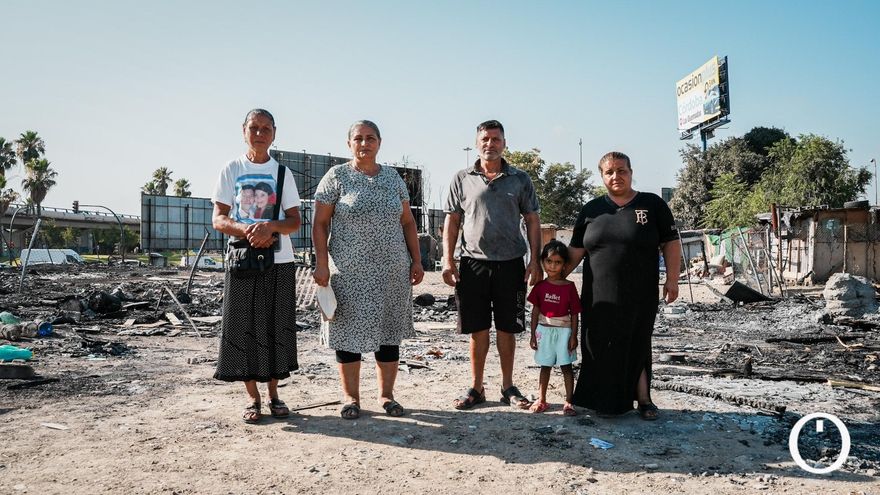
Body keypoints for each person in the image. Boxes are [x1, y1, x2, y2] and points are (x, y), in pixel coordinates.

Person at [312, 120, 424, 420]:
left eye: (370, 138)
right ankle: (351, 398)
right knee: (348, 333)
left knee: (389, 334)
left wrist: (416, 259)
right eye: (358, 138)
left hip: (392, 271)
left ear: (380, 142)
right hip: (349, 273)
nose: (365, 143)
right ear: (349, 143)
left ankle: (387, 396)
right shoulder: (336, 177)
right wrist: (321, 263)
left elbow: (408, 222)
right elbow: (320, 224)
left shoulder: (393, 179)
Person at [567, 151, 680, 420]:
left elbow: (671, 244)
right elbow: (574, 252)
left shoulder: (652, 205)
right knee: (598, 344)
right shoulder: (591, 210)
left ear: (631, 172)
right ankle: (602, 402)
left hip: (640, 293)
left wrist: (672, 279)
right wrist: (548, 277)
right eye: (609, 172)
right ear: (602, 176)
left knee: (636, 342)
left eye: (622, 170)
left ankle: (643, 399)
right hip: (597, 296)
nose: (616, 176)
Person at [442, 119, 542, 411]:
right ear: (477, 143)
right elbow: (452, 220)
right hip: (473, 264)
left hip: (511, 264)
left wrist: (534, 261)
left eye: (496, 139)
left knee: (508, 329)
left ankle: (508, 386)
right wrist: (448, 259)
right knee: (478, 329)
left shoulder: (520, 179)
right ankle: (476, 387)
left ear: (504, 143)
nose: (490, 144)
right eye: (485, 139)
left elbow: (533, 220)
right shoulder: (462, 178)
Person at [211, 108, 302, 424]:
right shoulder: (232, 169)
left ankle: (275, 394)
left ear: (274, 133)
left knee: (276, 328)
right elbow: (219, 218)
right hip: (242, 260)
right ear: (244, 130)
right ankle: (253, 398)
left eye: (266, 128)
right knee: (244, 327)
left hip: (279, 261)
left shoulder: (282, 174)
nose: (260, 133)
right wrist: (248, 230)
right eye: (254, 127)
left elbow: (294, 222)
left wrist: (270, 227)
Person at [527, 240, 581, 415]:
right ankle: (542, 399)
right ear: (543, 262)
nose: (552, 266)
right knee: (545, 366)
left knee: (566, 367)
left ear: (564, 264)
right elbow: (535, 311)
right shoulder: (540, 286)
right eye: (549, 261)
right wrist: (533, 334)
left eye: (557, 262)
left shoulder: (569, 287)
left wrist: (574, 336)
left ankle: (568, 402)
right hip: (544, 330)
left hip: (564, 332)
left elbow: (574, 314)